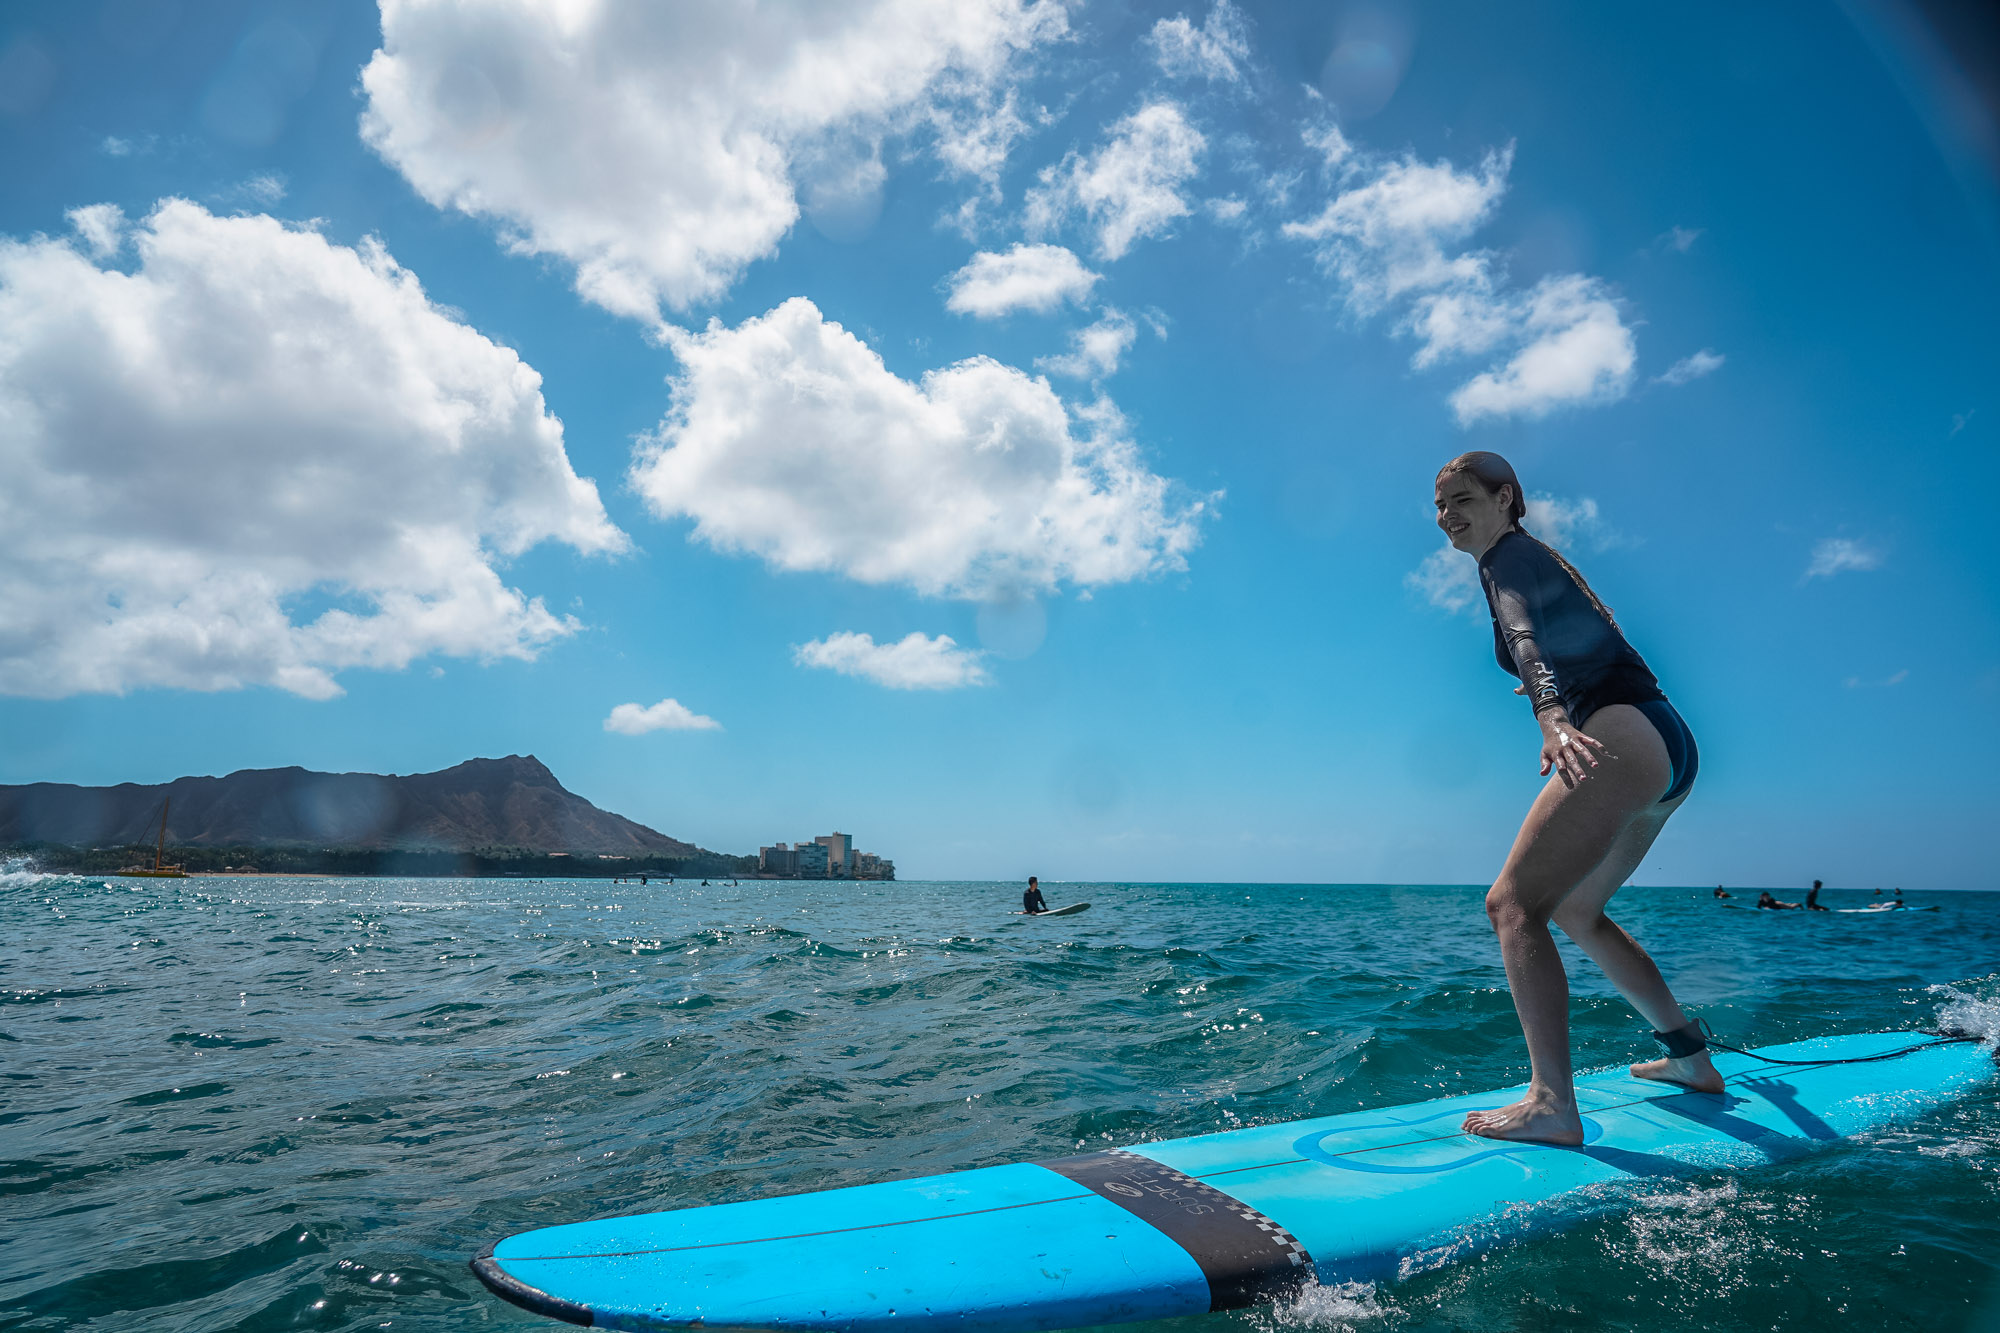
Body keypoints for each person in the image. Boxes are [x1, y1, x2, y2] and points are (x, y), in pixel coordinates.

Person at [1433, 452, 1718, 1146]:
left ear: (1506, 497)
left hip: (1620, 733)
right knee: (1577, 909)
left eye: (1462, 499)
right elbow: (1583, 637)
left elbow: (1524, 636)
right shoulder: (1538, 558)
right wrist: (1558, 687)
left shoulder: (1504, 557)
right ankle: (1691, 1058)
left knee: (1512, 905)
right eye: (1439, 506)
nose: (1447, 516)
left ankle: (1552, 1104)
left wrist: (1552, 714)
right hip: (1666, 741)